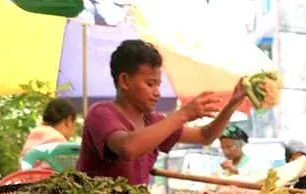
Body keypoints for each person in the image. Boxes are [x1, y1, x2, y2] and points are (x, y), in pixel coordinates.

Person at [77, 39, 247, 185]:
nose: (157, 92)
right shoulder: (101, 113)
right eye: (150, 84)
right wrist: (183, 114)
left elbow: (205, 136)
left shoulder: (154, 120)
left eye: (158, 84)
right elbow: (128, 148)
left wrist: (232, 104)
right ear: (124, 81)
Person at [20, 98, 77, 164]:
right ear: (68, 121)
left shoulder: (34, 134)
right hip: (45, 174)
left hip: (24, 174)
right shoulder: (58, 140)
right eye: (74, 123)